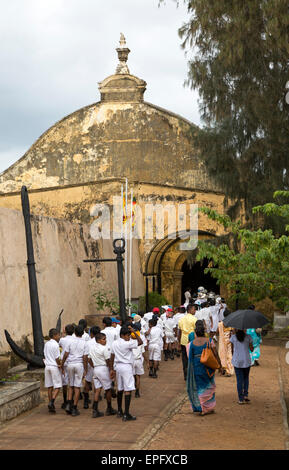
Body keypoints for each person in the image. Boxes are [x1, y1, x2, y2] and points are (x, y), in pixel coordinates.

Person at [186, 320, 222, 416]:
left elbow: (190, 358)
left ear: (195, 332)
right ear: (204, 331)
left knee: (199, 387)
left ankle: (201, 407)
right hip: (208, 367)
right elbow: (215, 353)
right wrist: (220, 365)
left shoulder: (192, 343)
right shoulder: (209, 341)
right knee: (209, 385)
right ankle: (208, 407)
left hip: (197, 367)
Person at [111, 325, 143, 421]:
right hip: (126, 367)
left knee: (120, 388)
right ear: (122, 335)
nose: (129, 337)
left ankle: (120, 410)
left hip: (118, 366)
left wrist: (111, 368)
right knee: (128, 389)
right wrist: (134, 332)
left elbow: (112, 355)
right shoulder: (127, 343)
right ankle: (126, 413)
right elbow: (140, 342)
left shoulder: (114, 343)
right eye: (127, 335)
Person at [62, 325, 89, 416]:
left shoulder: (70, 341)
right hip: (79, 364)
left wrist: (62, 364)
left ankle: (69, 404)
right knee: (77, 387)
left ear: (74, 332)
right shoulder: (85, 343)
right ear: (83, 333)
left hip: (70, 364)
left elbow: (65, 354)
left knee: (71, 385)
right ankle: (74, 407)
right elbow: (85, 357)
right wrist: (86, 369)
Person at [88, 332, 117, 417]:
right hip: (103, 368)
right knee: (107, 389)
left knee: (98, 389)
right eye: (103, 339)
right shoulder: (104, 348)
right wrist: (111, 369)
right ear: (98, 340)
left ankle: (95, 410)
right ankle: (109, 408)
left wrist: (94, 366)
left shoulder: (92, 348)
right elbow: (108, 360)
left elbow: (89, 359)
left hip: (96, 369)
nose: (105, 341)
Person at [230, 329, 254, 404]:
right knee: (246, 378)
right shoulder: (248, 337)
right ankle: (245, 395)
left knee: (239, 380)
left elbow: (232, 350)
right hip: (246, 360)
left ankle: (240, 399)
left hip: (237, 360)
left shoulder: (233, 337)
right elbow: (251, 349)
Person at [44, 328, 62, 413]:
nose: (59, 337)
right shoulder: (56, 345)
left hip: (47, 366)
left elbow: (45, 354)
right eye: (58, 335)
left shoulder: (47, 344)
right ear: (54, 336)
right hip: (54, 366)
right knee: (57, 386)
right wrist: (59, 365)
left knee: (49, 386)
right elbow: (57, 358)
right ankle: (52, 402)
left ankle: (51, 405)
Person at [178, 304, 198, 380]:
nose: (195, 311)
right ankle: (192, 374)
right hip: (192, 340)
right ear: (189, 310)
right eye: (194, 309)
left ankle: (185, 374)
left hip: (183, 340)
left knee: (184, 358)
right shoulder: (194, 319)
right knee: (192, 357)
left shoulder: (181, 319)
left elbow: (179, 331)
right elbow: (196, 331)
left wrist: (179, 341)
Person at [83, 325, 100, 409]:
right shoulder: (101, 341)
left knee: (87, 382)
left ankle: (86, 401)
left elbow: (85, 356)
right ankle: (95, 401)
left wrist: (85, 368)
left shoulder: (88, 342)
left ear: (91, 334)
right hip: (99, 364)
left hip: (90, 364)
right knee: (97, 384)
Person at [59, 324, 75, 409]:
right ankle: (71, 400)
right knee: (72, 382)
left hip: (64, 362)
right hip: (72, 361)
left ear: (65, 331)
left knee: (64, 382)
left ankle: (65, 401)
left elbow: (60, 346)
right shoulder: (75, 340)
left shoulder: (62, 339)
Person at [218, 309, 234, 377]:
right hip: (229, 341)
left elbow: (217, 331)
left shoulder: (221, 323)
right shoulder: (231, 323)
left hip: (222, 341)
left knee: (222, 354)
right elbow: (232, 333)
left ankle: (224, 367)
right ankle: (229, 371)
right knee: (229, 355)